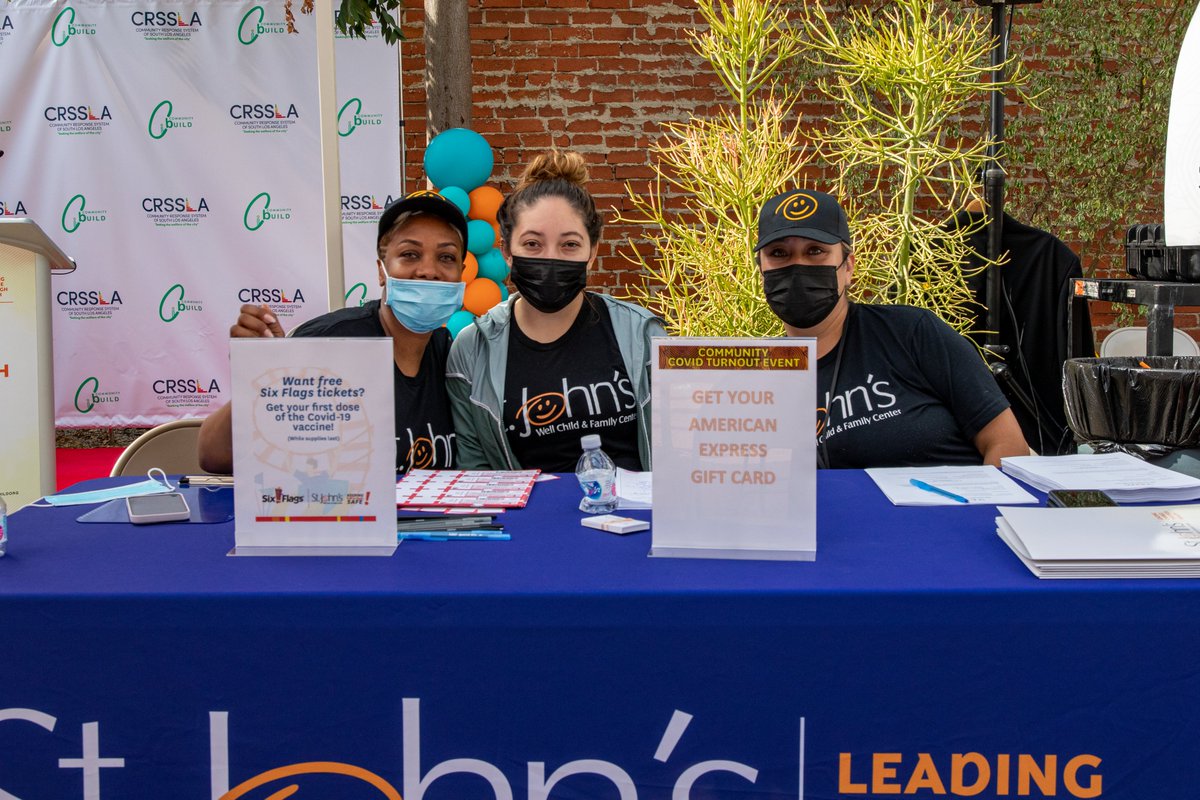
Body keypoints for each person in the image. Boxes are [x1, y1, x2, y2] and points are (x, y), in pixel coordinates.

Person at [197, 191, 468, 474]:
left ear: (461, 273)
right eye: (410, 254)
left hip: (436, 519)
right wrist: (263, 380)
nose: (428, 270)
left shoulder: (452, 355)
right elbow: (213, 456)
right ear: (381, 271)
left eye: (445, 257)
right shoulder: (328, 343)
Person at [755, 188, 1029, 468]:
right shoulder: (757, 380)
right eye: (779, 253)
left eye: (815, 251)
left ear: (848, 267)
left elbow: (1007, 445)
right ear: (761, 270)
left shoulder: (913, 333)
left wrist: (979, 510)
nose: (798, 265)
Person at [446, 149, 665, 471]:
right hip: (527, 521)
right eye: (533, 244)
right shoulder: (472, 349)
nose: (552, 259)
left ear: (592, 252)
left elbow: (673, 451)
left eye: (570, 245)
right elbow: (475, 470)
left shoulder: (642, 335)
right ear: (507, 250)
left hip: (632, 519)